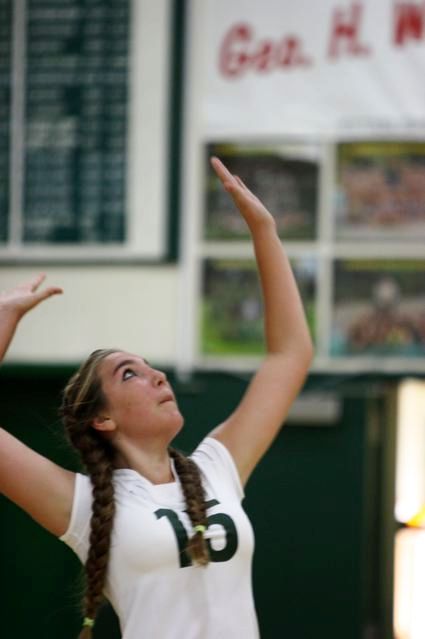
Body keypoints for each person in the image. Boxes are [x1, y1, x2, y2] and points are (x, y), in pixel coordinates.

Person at [0, 157, 313, 639]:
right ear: (102, 419)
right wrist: (5, 318)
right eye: (130, 374)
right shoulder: (82, 505)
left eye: (150, 366)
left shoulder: (216, 469)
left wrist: (264, 231)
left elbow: (290, 355)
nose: (157, 376)